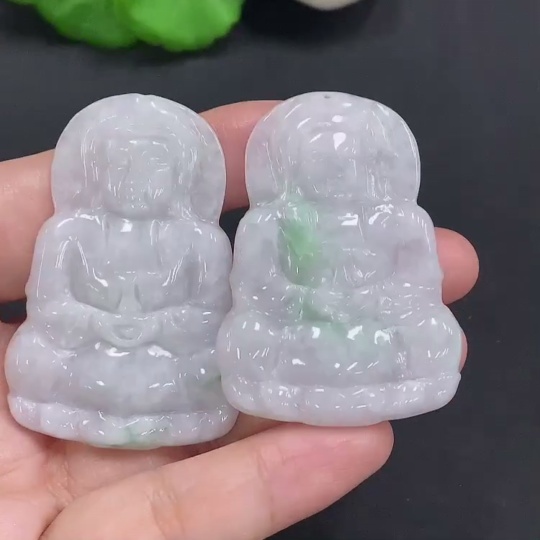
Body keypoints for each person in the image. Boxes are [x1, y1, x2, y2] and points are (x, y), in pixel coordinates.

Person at [0, 101, 479, 540]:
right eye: (121, 168)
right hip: (100, 349)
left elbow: (414, 291)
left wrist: (360, 303)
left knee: (431, 336)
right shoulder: (70, 232)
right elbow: (259, 292)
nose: (136, 181)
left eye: (151, 169)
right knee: (37, 356)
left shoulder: (398, 224)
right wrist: (104, 326)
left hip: (345, 333)